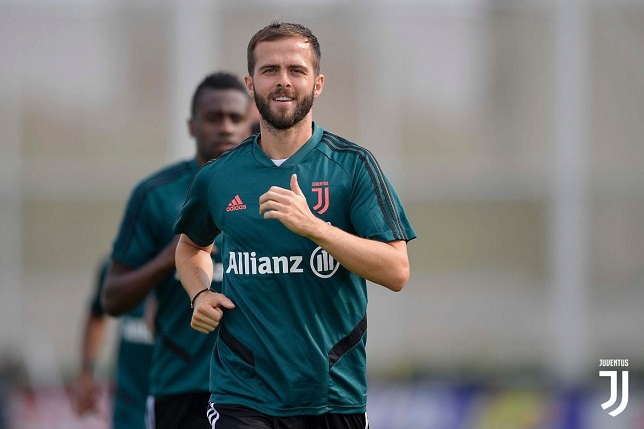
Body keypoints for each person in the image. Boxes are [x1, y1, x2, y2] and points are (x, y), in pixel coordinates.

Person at [173, 22, 416, 429]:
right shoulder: (218, 177)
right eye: (270, 71)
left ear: (317, 83)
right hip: (243, 394)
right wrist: (199, 293)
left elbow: (397, 271)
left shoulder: (353, 166)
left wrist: (315, 228)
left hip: (332, 397)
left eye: (296, 70)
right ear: (251, 85)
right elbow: (190, 247)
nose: (283, 82)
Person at [102, 72, 253, 429]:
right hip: (181, 388)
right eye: (214, 117)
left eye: (235, 118)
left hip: (256, 389)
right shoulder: (155, 195)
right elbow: (112, 299)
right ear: (192, 125)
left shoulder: (274, 190)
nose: (226, 128)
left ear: (250, 124)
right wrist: (171, 256)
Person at [73, 256, 153, 429]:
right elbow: (97, 314)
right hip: (129, 403)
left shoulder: (191, 264)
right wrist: (86, 374)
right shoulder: (116, 267)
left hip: (178, 399)